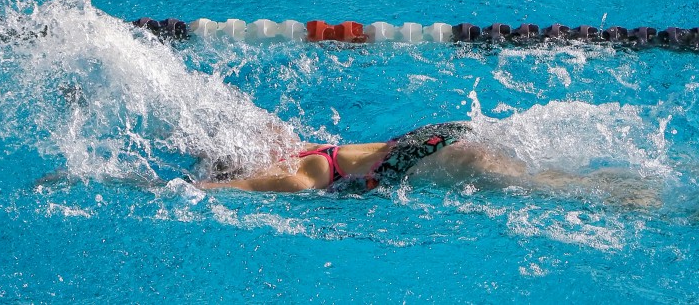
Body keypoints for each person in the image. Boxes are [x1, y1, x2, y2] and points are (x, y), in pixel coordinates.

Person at [195, 119, 657, 205]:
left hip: (446, 155)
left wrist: (157, 186)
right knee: (543, 172)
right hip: (431, 138)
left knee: (553, 186)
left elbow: (236, 189)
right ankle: (621, 184)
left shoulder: (302, 172)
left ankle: (625, 194)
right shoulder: (294, 145)